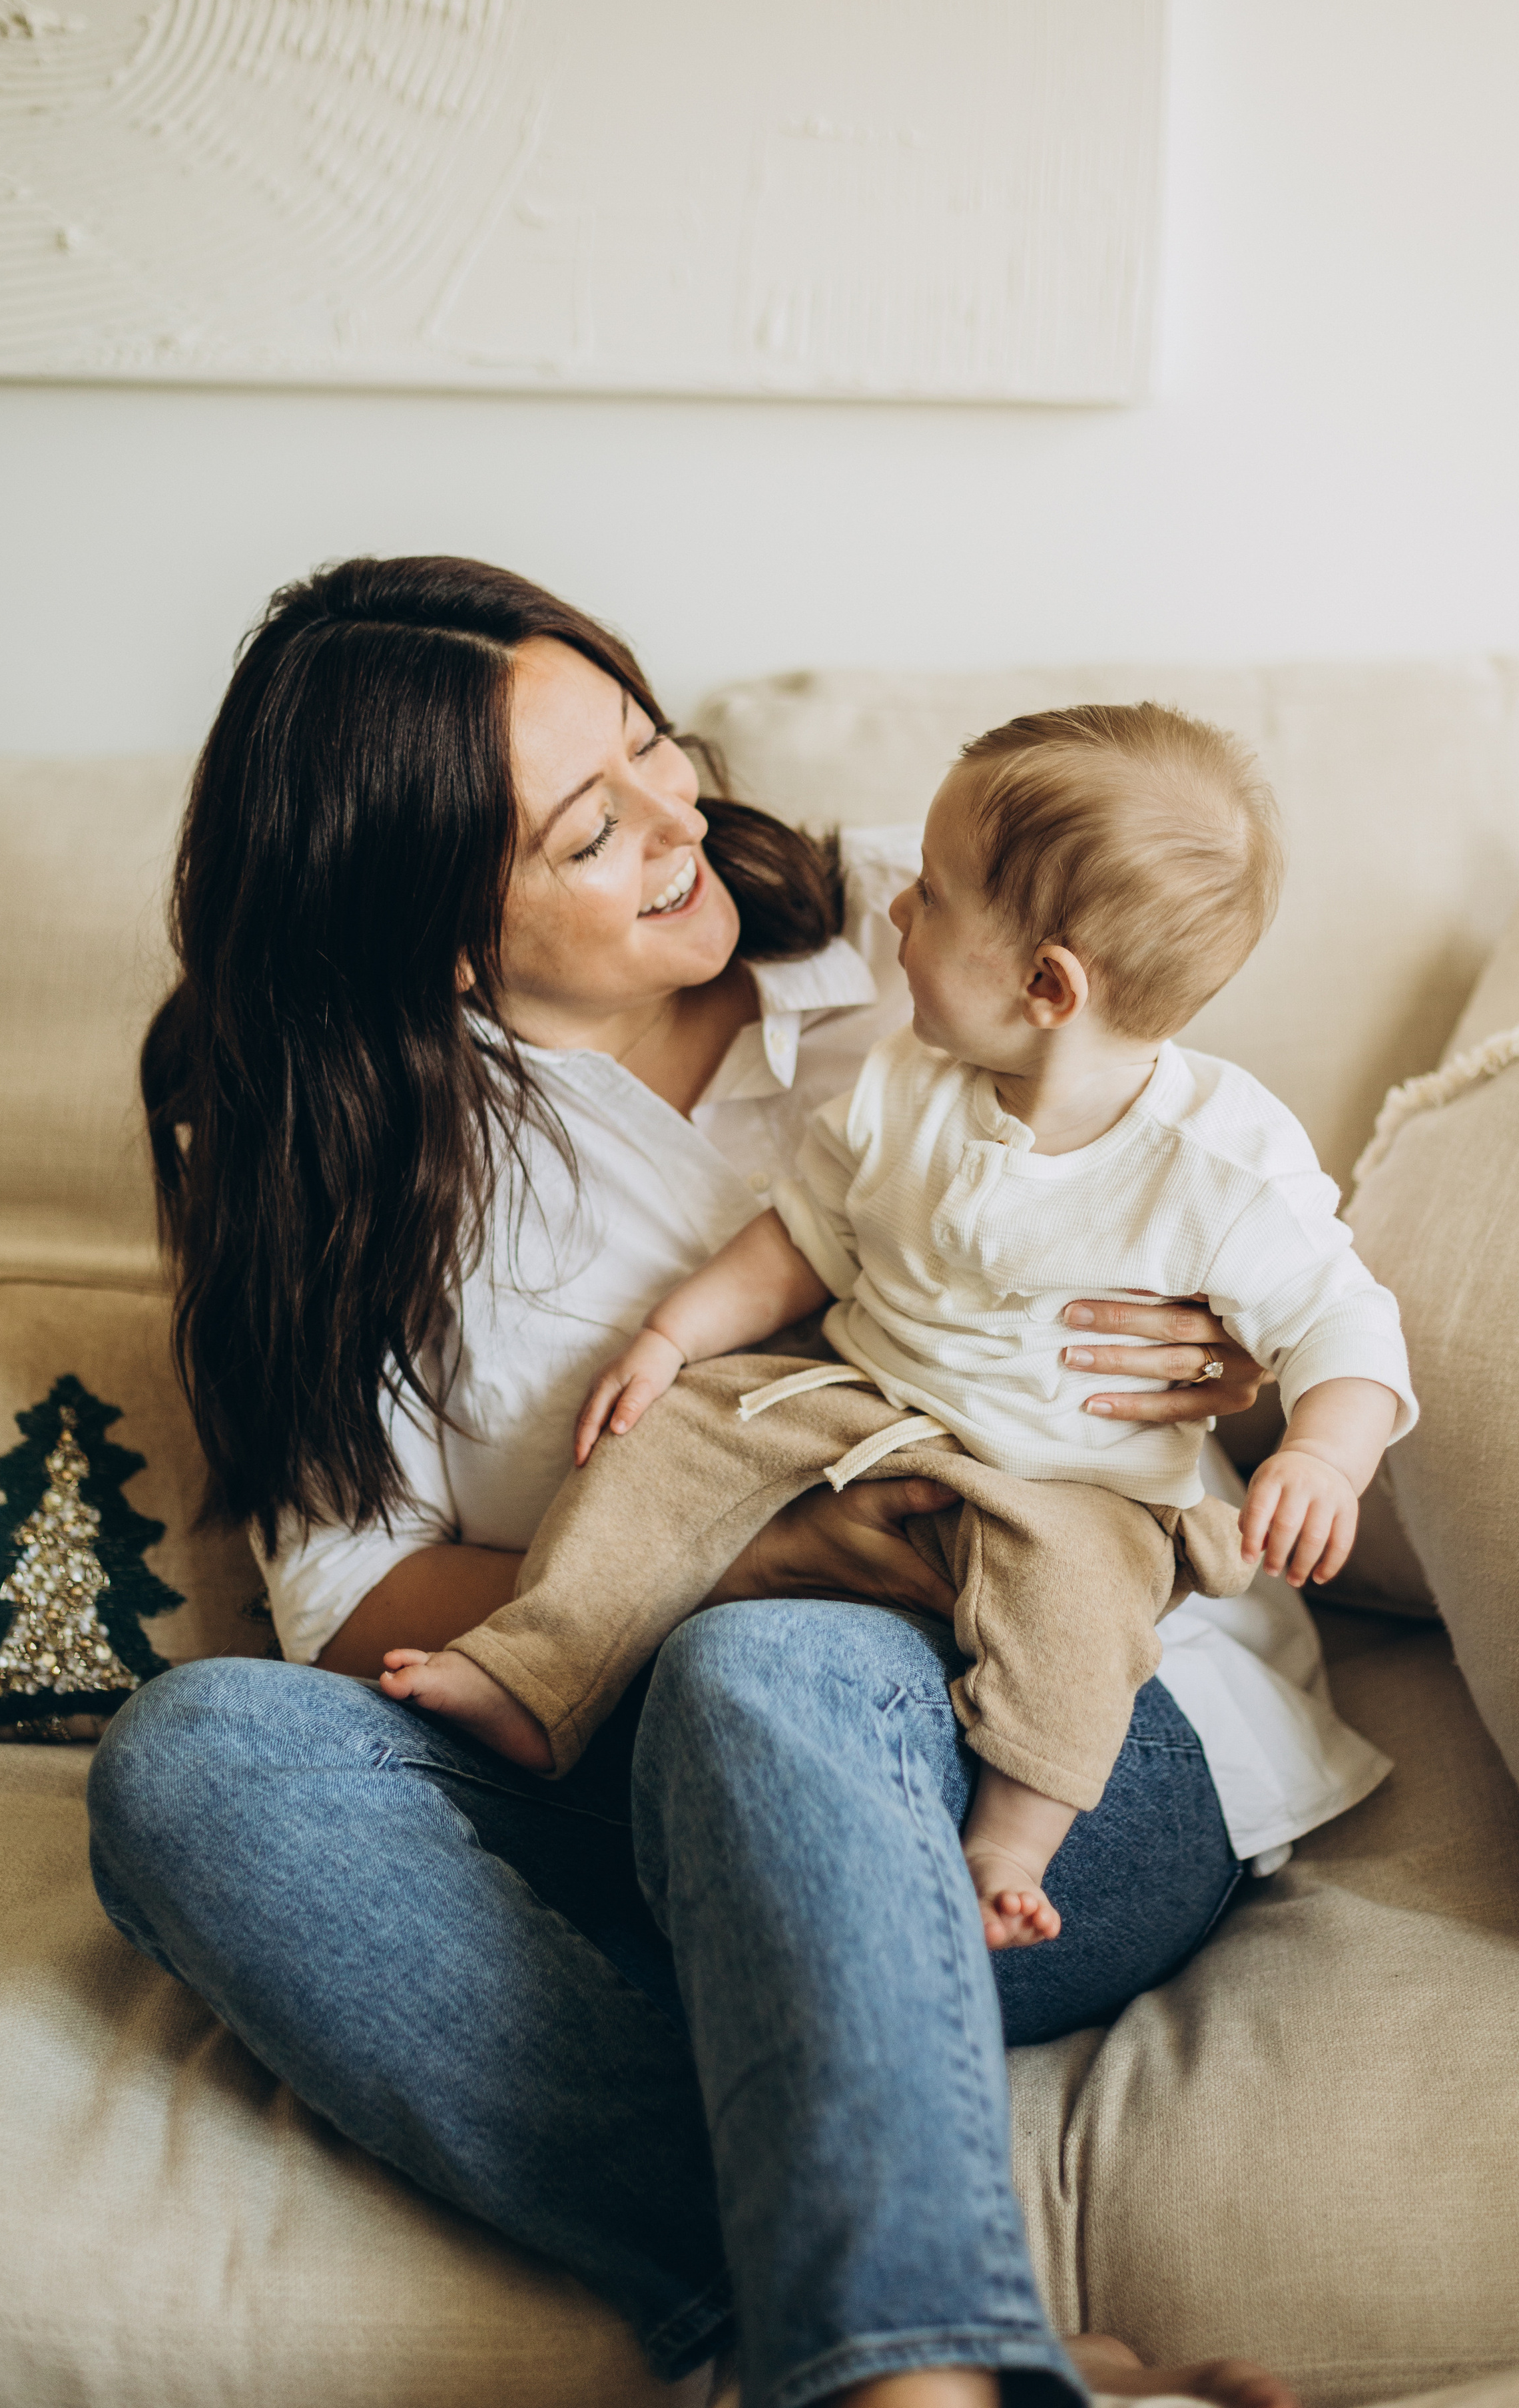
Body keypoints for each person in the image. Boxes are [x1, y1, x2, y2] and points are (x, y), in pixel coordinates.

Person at [84, 555, 1374, 2408]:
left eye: (649, 740)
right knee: (192, 1762)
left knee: (769, 1679)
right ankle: (942, 2338)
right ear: (444, 937)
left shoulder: (912, 916)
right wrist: (745, 1558)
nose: (683, 815)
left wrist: (1244, 1366)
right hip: (604, 1761)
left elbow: (1220, 1191)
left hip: (1053, 1745)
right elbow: (349, 1604)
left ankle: (899, 2378)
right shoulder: (322, 1154)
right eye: (593, 832)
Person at [379, 704, 1414, 1949]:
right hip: (865, 1412)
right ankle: (540, 1673)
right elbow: (804, 1240)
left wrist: (1319, 1452)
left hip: (1069, 1482)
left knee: (1078, 1613)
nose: (896, 915)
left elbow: (1344, 1322)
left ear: (1046, 985)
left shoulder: (1222, 1161)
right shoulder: (910, 1086)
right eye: (596, 827)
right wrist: (673, 1338)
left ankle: (1009, 1845)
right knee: (667, 1440)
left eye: (929, 899)